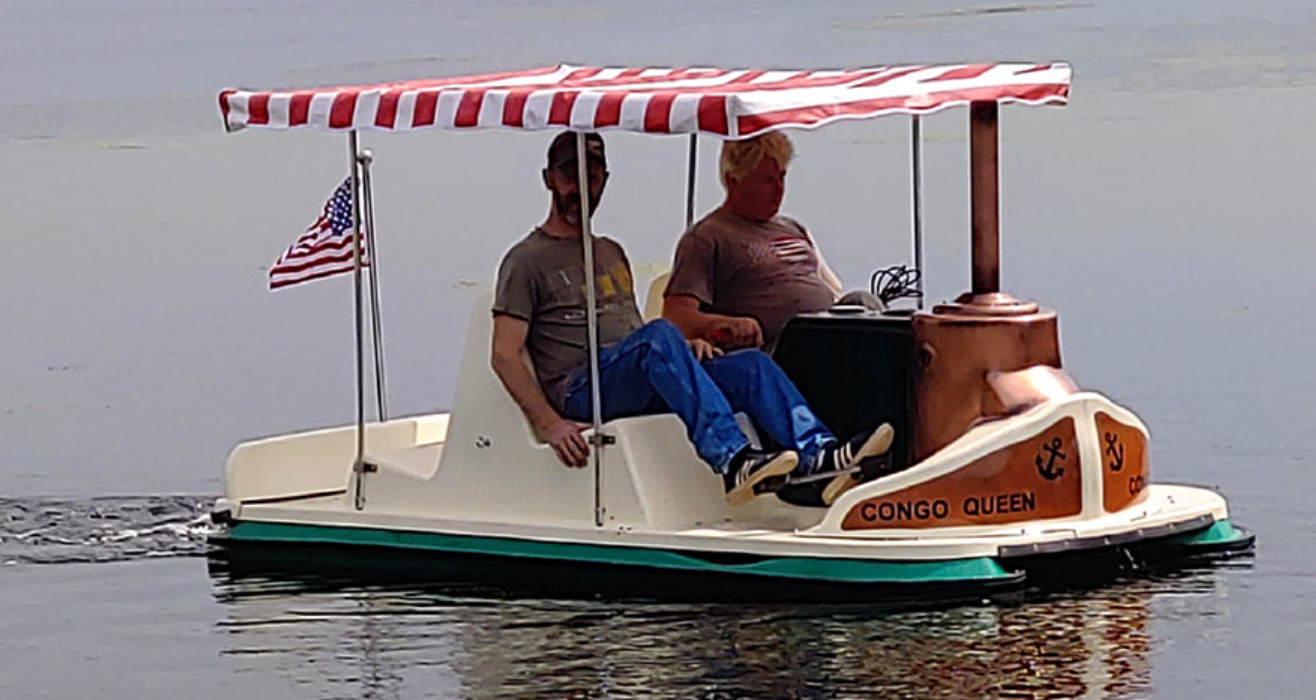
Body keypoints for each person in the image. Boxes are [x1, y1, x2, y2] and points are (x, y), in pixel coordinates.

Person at [490, 131, 891, 506]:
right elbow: (504, 354)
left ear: (604, 181)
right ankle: (733, 459)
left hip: (630, 373)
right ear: (549, 179)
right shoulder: (526, 260)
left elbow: (632, 333)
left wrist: (682, 351)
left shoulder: (610, 251)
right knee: (659, 335)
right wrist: (551, 424)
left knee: (750, 365)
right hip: (580, 388)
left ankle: (818, 454)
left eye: (591, 177)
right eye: (569, 176)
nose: (580, 186)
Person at [662, 131, 843, 353]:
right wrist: (724, 323)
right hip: (779, 349)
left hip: (828, 333)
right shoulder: (706, 238)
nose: (779, 189)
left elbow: (832, 290)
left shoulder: (794, 228)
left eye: (782, 177)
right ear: (733, 181)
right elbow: (675, 316)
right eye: (768, 180)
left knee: (867, 307)